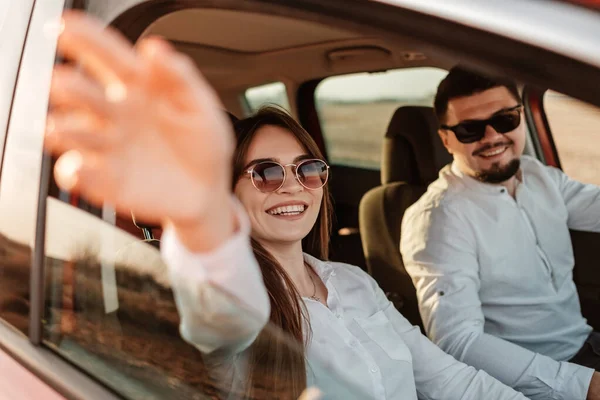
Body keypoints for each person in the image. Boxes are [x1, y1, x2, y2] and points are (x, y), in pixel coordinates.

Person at [45, 12, 528, 400]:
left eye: (308, 168)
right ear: (227, 190)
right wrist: (201, 216)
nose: (293, 186)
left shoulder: (352, 281)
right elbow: (220, 316)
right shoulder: (237, 306)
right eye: (265, 172)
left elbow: (447, 379)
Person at [400, 67, 600, 400]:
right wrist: (584, 385)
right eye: (470, 129)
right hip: (534, 382)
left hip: (586, 345)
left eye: (505, 119)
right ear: (447, 139)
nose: (492, 136)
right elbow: (457, 341)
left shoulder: (538, 176)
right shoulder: (438, 218)